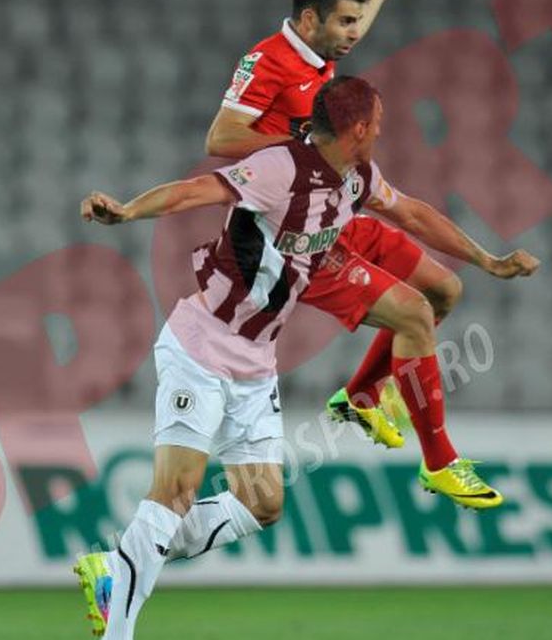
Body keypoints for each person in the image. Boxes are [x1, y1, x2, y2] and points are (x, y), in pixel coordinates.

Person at [73, 76, 426, 639]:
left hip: (257, 360)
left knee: (262, 504)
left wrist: (485, 260)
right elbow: (195, 192)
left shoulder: (356, 180)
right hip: (203, 345)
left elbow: (411, 212)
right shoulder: (281, 167)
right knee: (176, 491)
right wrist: (127, 211)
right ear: (358, 129)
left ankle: (118, 566)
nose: (383, 130)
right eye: (378, 122)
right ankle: (119, 630)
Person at [208, 0, 538, 507]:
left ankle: (360, 395)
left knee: (443, 291)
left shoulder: (319, 54)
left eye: (357, 21)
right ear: (310, 20)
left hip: (332, 215)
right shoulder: (268, 62)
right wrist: (304, 148)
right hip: (286, 239)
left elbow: (350, 21)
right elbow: (220, 139)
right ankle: (441, 464)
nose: (355, 33)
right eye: (345, 21)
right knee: (412, 314)